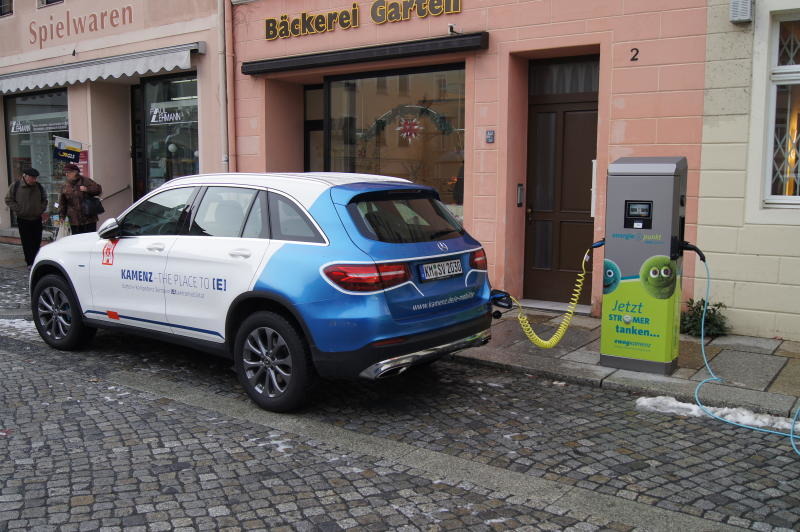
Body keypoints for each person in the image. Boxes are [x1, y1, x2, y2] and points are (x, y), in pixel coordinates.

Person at [5, 167, 49, 268]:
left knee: (37, 241)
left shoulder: (38, 186)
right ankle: (30, 262)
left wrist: (41, 209)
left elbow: (44, 199)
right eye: (32, 178)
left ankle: (36, 260)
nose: (34, 180)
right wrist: (19, 209)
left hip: (36, 218)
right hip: (23, 219)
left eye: (35, 178)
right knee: (27, 242)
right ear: (25, 176)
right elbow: (8, 199)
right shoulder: (15, 186)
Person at [58, 163, 102, 234]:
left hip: (89, 219)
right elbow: (62, 202)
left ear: (75, 172)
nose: (66, 174)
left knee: (89, 240)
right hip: (74, 220)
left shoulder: (86, 180)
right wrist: (62, 216)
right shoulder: (65, 185)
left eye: (68, 172)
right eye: (65, 173)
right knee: (77, 241)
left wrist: (87, 189)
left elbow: (98, 189)